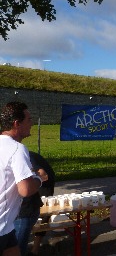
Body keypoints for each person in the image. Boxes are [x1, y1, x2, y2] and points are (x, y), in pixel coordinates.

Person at [0, 102, 47, 256]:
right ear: (16, 124)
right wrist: (39, 178)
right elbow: (25, 189)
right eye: (29, 119)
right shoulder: (17, 149)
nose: (32, 123)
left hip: (7, 227)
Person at [14, 151, 55, 256]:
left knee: (43, 213)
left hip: (45, 183)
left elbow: (43, 175)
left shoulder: (23, 155)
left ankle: (35, 250)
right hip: (34, 181)